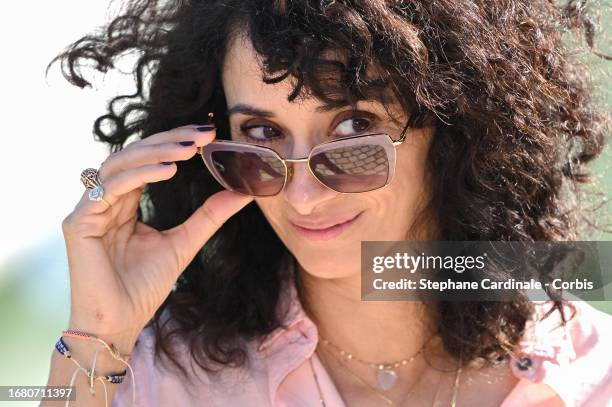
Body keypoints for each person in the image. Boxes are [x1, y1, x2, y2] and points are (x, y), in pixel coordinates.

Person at [43, 0, 612, 406]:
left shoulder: (596, 373)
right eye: (263, 135)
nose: (304, 193)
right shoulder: (157, 377)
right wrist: (99, 336)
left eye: (353, 126)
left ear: (455, 130)